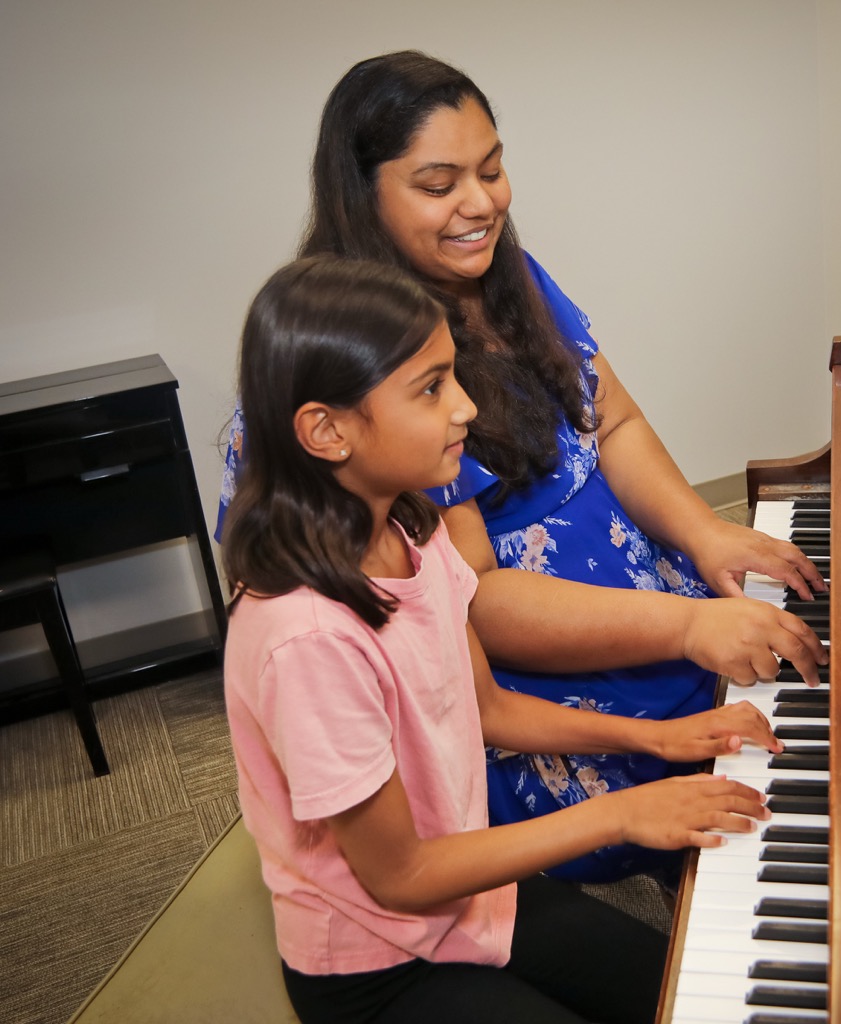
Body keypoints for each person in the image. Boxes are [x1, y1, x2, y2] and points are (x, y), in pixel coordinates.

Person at [219, 50, 828, 883]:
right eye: (440, 186)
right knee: (780, 760)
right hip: (542, 676)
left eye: (493, 170)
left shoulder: (506, 275)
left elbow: (610, 417)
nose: (482, 204)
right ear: (366, 195)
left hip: (644, 603)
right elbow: (472, 601)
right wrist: (687, 629)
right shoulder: (386, 374)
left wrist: (705, 533)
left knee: (809, 669)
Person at [221, 255, 779, 1024]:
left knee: (694, 997)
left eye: (454, 377)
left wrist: (662, 742)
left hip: (474, 896)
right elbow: (401, 875)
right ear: (326, 430)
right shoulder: (304, 637)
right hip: (383, 963)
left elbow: (486, 706)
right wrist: (619, 815)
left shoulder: (413, 531)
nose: (464, 410)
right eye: (430, 389)